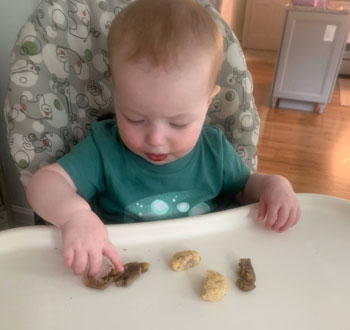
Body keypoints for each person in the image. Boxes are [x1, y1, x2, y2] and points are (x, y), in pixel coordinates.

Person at [26, 0, 300, 278]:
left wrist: (274, 185)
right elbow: (45, 183)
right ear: (116, 95)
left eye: (179, 123)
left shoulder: (214, 150)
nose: (155, 139)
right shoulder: (103, 148)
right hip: (124, 270)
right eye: (135, 118)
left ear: (208, 103)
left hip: (203, 269)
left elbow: (246, 188)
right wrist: (75, 216)